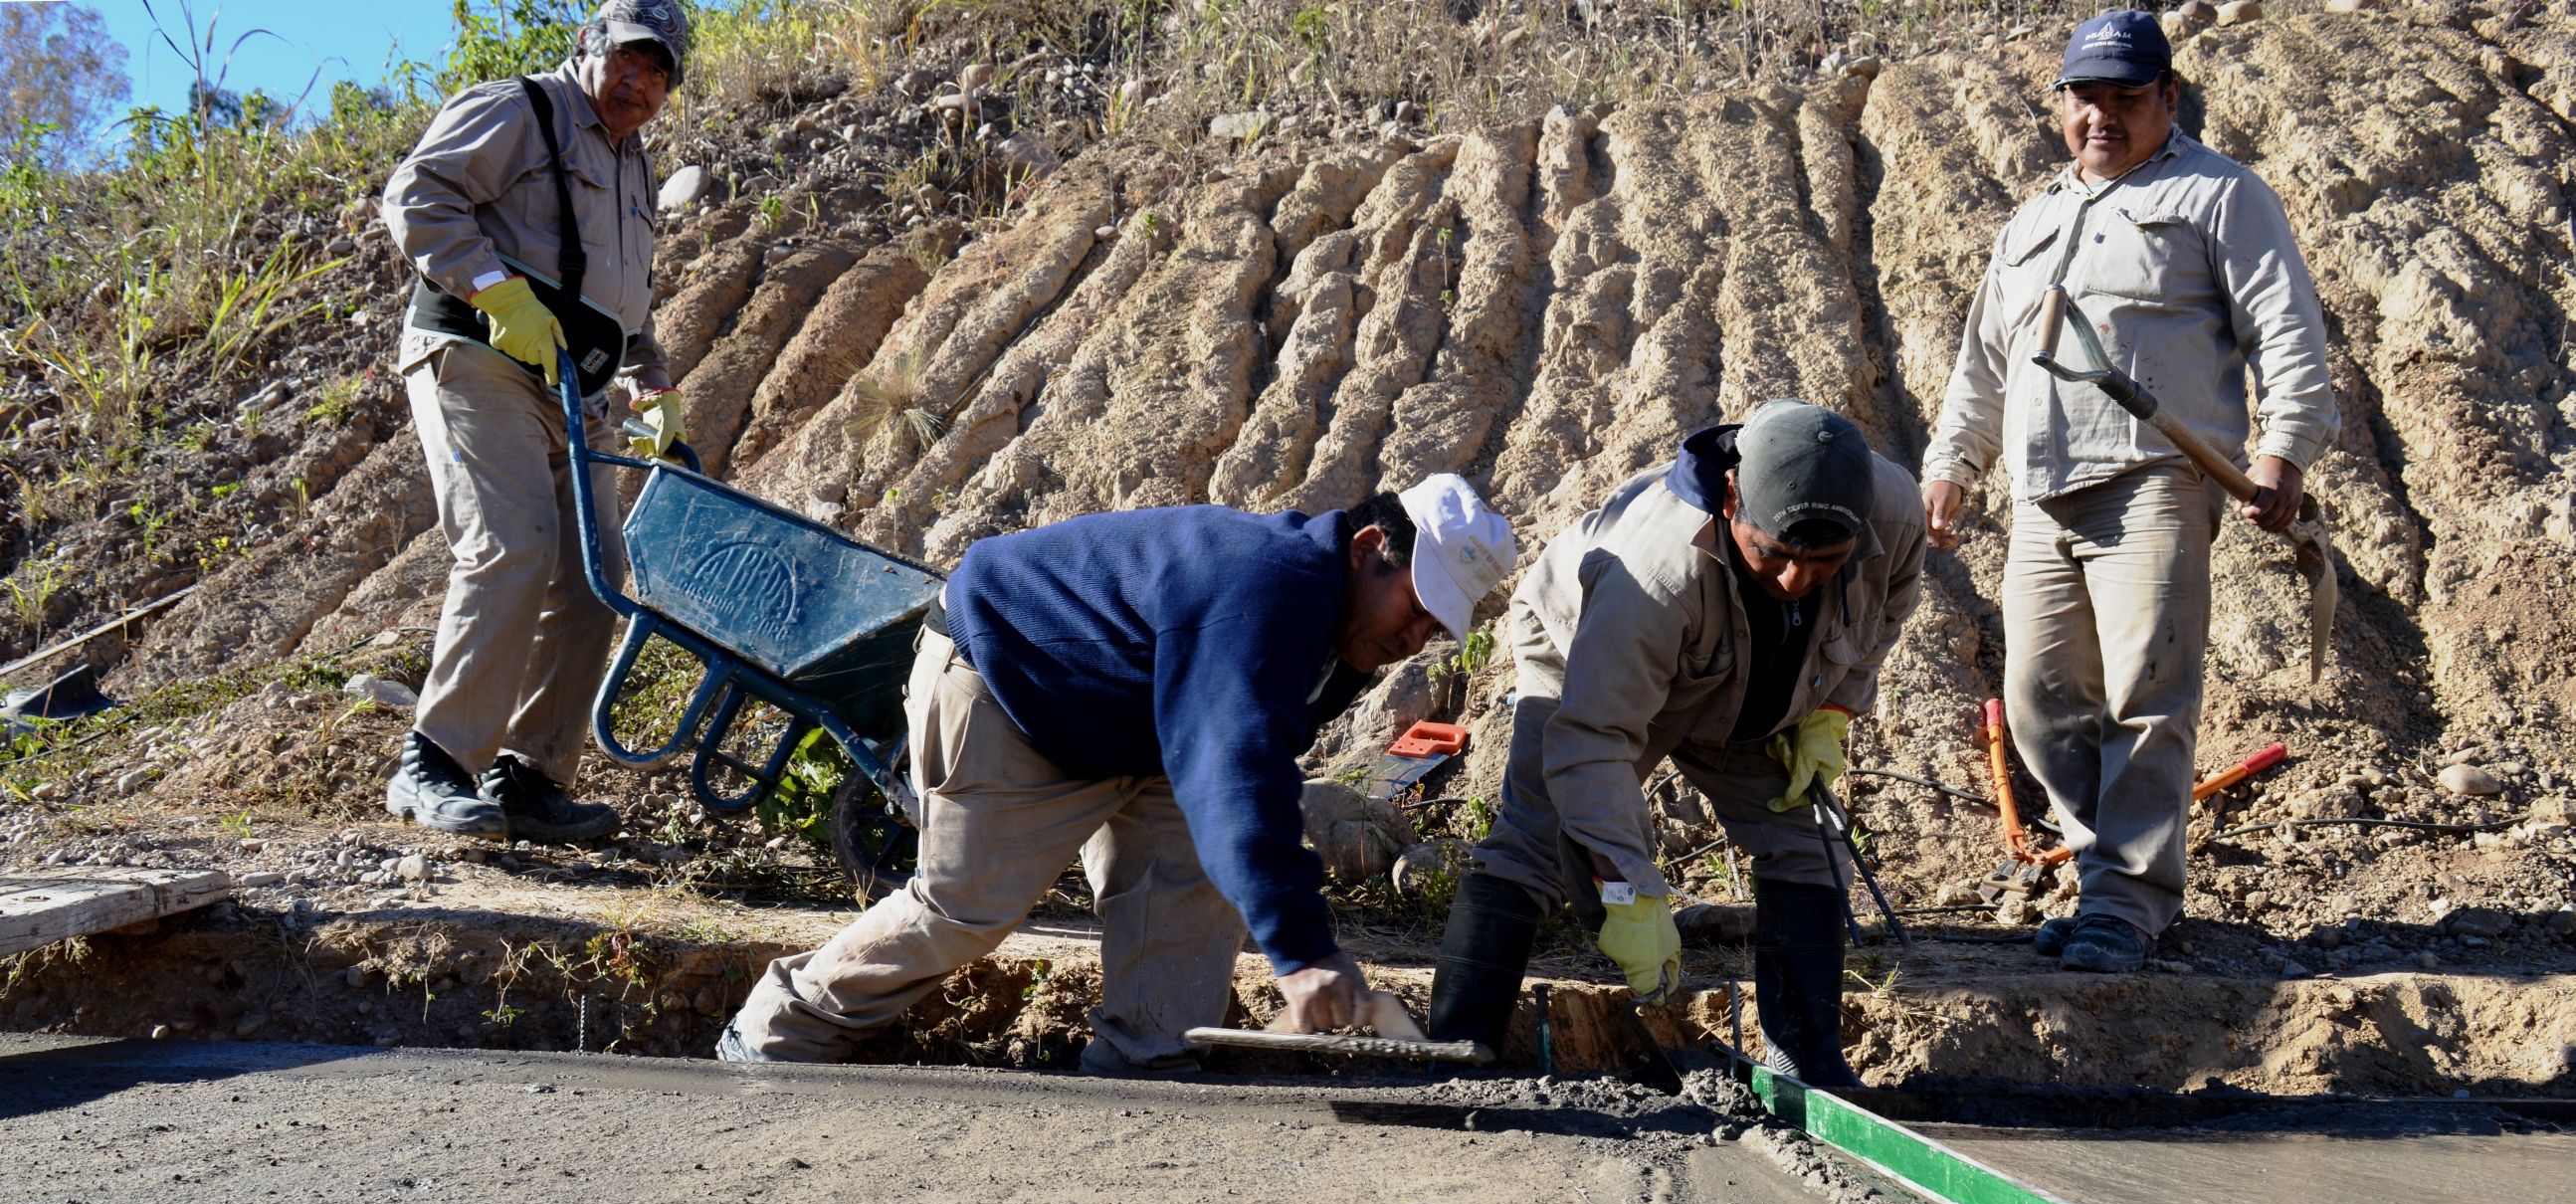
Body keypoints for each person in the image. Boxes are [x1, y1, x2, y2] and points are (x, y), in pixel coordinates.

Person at [715, 477, 1519, 1074]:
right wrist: (1303, 952)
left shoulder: (1342, 632)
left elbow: (1252, 774)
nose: (1416, 638)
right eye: (1415, 608)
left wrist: (1288, 920)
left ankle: (1147, 1065)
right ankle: (774, 1032)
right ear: (1366, 550)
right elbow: (1231, 768)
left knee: (1192, 881)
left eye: (1434, 625)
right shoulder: (1266, 591)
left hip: (1136, 720)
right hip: (1010, 683)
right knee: (967, 906)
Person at [1919, 9, 2337, 972]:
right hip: (2042, 490)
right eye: (2086, 99)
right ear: (2061, 104)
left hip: (2154, 480)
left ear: (2168, 100)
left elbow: (2287, 330)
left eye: (2126, 98)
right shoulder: (2032, 222)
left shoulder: (2220, 197)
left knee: (2149, 691)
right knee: (2034, 701)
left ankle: (2128, 901)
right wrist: (1955, 463)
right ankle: (2112, 866)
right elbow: (1985, 363)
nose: (2103, 117)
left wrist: (2284, 453)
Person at [1426, 402, 1923, 1089]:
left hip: (1749, 684)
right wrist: (1630, 891)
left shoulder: (1895, 512)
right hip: (1592, 655)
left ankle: (1808, 1066)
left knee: (1808, 845)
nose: (1793, 582)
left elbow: (1889, 606)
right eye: (1773, 553)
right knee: (1535, 839)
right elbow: (1594, 739)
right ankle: (1456, 1049)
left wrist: (1833, 708)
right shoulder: (1652, 575)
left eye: (1825, 563)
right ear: (1729, 499)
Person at [378, 0, 694, 843]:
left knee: (595, 573)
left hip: (574, 387)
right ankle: (434, 764)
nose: (639, 81)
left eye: (658, 71)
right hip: (478, 356)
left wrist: (651, 385)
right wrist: (493, 289)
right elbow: (419, 194)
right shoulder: (521, 109)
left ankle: (528, 776)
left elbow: (621, 301)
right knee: (511, 544)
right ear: (587, 49)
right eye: (627, 59)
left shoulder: (632, 163)